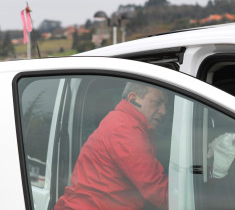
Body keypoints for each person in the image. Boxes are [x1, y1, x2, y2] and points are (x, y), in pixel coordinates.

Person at [55, 82, 169, 210]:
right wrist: (189, 196)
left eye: (165, 105)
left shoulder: (127, 124)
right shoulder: (124, 129)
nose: (163, 111)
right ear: (133, 99)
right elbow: (156, 189)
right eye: (157, 103)